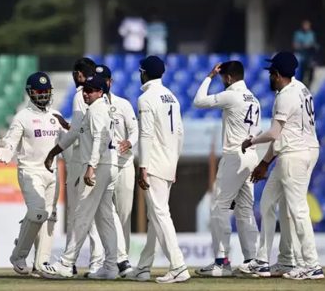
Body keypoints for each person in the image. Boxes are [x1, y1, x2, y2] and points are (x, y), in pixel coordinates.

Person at [241, 51, 324, 280]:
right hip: (304, 151)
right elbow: (282, 135)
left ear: (277, 75)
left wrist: (252, 141)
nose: (269, 76)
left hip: (294, 155)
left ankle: (311, 264)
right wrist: (265, 163)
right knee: (268, 201)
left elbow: (275, 133)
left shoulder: (285, 96)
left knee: (296, 209)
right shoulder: (302, 89)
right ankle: (273, 260)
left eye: (271, 73)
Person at [41, 75, 119, 280]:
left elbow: (100, 140)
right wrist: (53, 151)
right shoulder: (98, 108)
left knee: (81, 216)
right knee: (105, 219)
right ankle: (111, 267)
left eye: (91, 90)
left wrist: (91, 167)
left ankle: (66, 264)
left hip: (98, 166)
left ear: (101, 92)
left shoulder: (96, 110)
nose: (86, 93)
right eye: (85, 89)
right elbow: (77, 133)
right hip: (108, 166)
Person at [192, 61, 260, 277]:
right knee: (245, 210)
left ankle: (222, 262)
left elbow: (198, 101)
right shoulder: (254, 99)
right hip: (252, 156)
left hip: (235, 155)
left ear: (228, 78)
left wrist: (209, 76)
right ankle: (252, 262)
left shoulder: (231, 95)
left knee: (220, 206)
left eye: (223, 78)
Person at [126, 56, 190, 283]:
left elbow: (145, 134)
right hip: (169, 161)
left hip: (153, 163)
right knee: (156, 216)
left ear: (143, 73)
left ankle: (178, 265)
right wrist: (174, 159)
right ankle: (143, 267)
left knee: (160, 214)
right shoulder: (172, 97)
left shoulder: (146, 98)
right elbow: (180, 133)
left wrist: (142, 166)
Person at [0, 72, 63, 276]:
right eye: (39, 91)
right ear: (30, 92)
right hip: (30, 171)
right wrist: (5, 150)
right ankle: (18, 255)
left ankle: (42, 262)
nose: (43, 95)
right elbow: (10, 139)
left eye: (46, 91)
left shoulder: (56, 115)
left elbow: (66, 142)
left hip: (53, 173)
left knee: (49, 217)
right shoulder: (23, 117)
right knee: (37, 213)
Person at [59, 57, 104, 275]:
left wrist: (54, 151)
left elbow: (77, 131)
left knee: (80, 212)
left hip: (80, 161)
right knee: (88, 211)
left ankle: (78, 262)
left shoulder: (80, 94)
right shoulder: (103, 94)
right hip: (97, 160)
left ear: (78, 74)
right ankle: (84, 261)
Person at [96, 64, 138, 275]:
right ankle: (109, 262)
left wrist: (129, 142)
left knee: (123, 215)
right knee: (103, 215)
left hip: (124, 164)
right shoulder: (92, 106)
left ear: (110, 82)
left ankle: (123, 261)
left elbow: (135, 130)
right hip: (103, 165)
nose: (101, 84)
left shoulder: (123, 104)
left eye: (104, 80)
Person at [293, 20, 318, 87]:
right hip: (300, 56)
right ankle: (298, 85)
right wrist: (304, 45)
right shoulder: (298, 34)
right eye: (305, 25)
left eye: (308, 25)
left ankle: (308, 85)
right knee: (300, 72)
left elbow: (311, 44)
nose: (306, 27)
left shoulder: (311, 34)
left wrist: (304, 45)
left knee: (310, 72)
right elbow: (296, 45)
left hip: (309, 57)